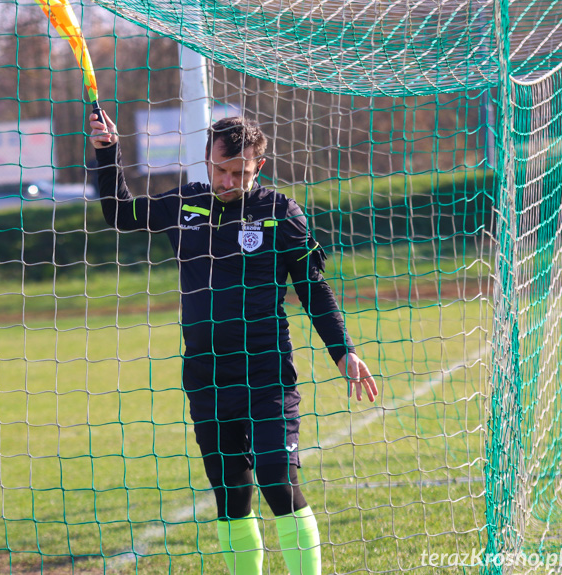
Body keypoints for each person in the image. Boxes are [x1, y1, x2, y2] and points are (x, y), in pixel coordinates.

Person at [89, 113, 379, 575]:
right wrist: (107, 154)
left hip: (266, 373)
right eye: (221, 170)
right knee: (231, 493)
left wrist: (342, 349)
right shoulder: (186, 203)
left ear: (258, 167)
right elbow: (119, 214)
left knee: (277, 480)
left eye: (241, 173)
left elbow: (312, 286)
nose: (229, 181)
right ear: (207, 160)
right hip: (206, 375)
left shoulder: (281, 213)